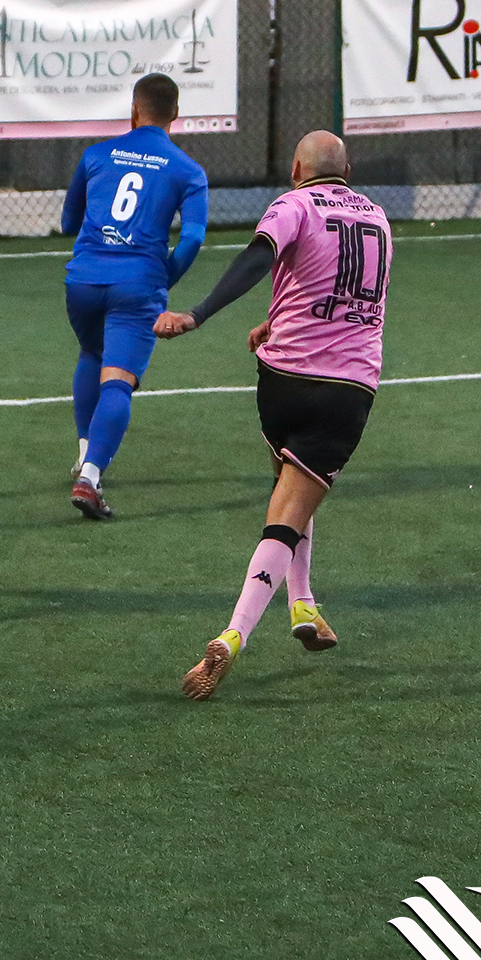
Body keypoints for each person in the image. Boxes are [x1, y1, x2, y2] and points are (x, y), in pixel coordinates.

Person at [155, 131, 392, 701]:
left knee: (291, 483)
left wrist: (200, 313)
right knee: (288, 512)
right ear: (349, 170)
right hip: (347, 388)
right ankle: (232, 636)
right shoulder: (379, 219)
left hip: (282, 380)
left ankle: (303, 604)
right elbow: (349, 294)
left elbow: (260, 258)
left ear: (295, 168)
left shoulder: (294, 204)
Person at [60, 73, 209, 520]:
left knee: (91, 353)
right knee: (119, 379)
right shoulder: (187, 170)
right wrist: (164, 278)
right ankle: (90, 477)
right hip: (137, 284)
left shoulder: (96, 155)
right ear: (175, 116)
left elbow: (70, 221)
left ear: (133, 111)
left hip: (82, 280)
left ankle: (87, 451)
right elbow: (193, 238)